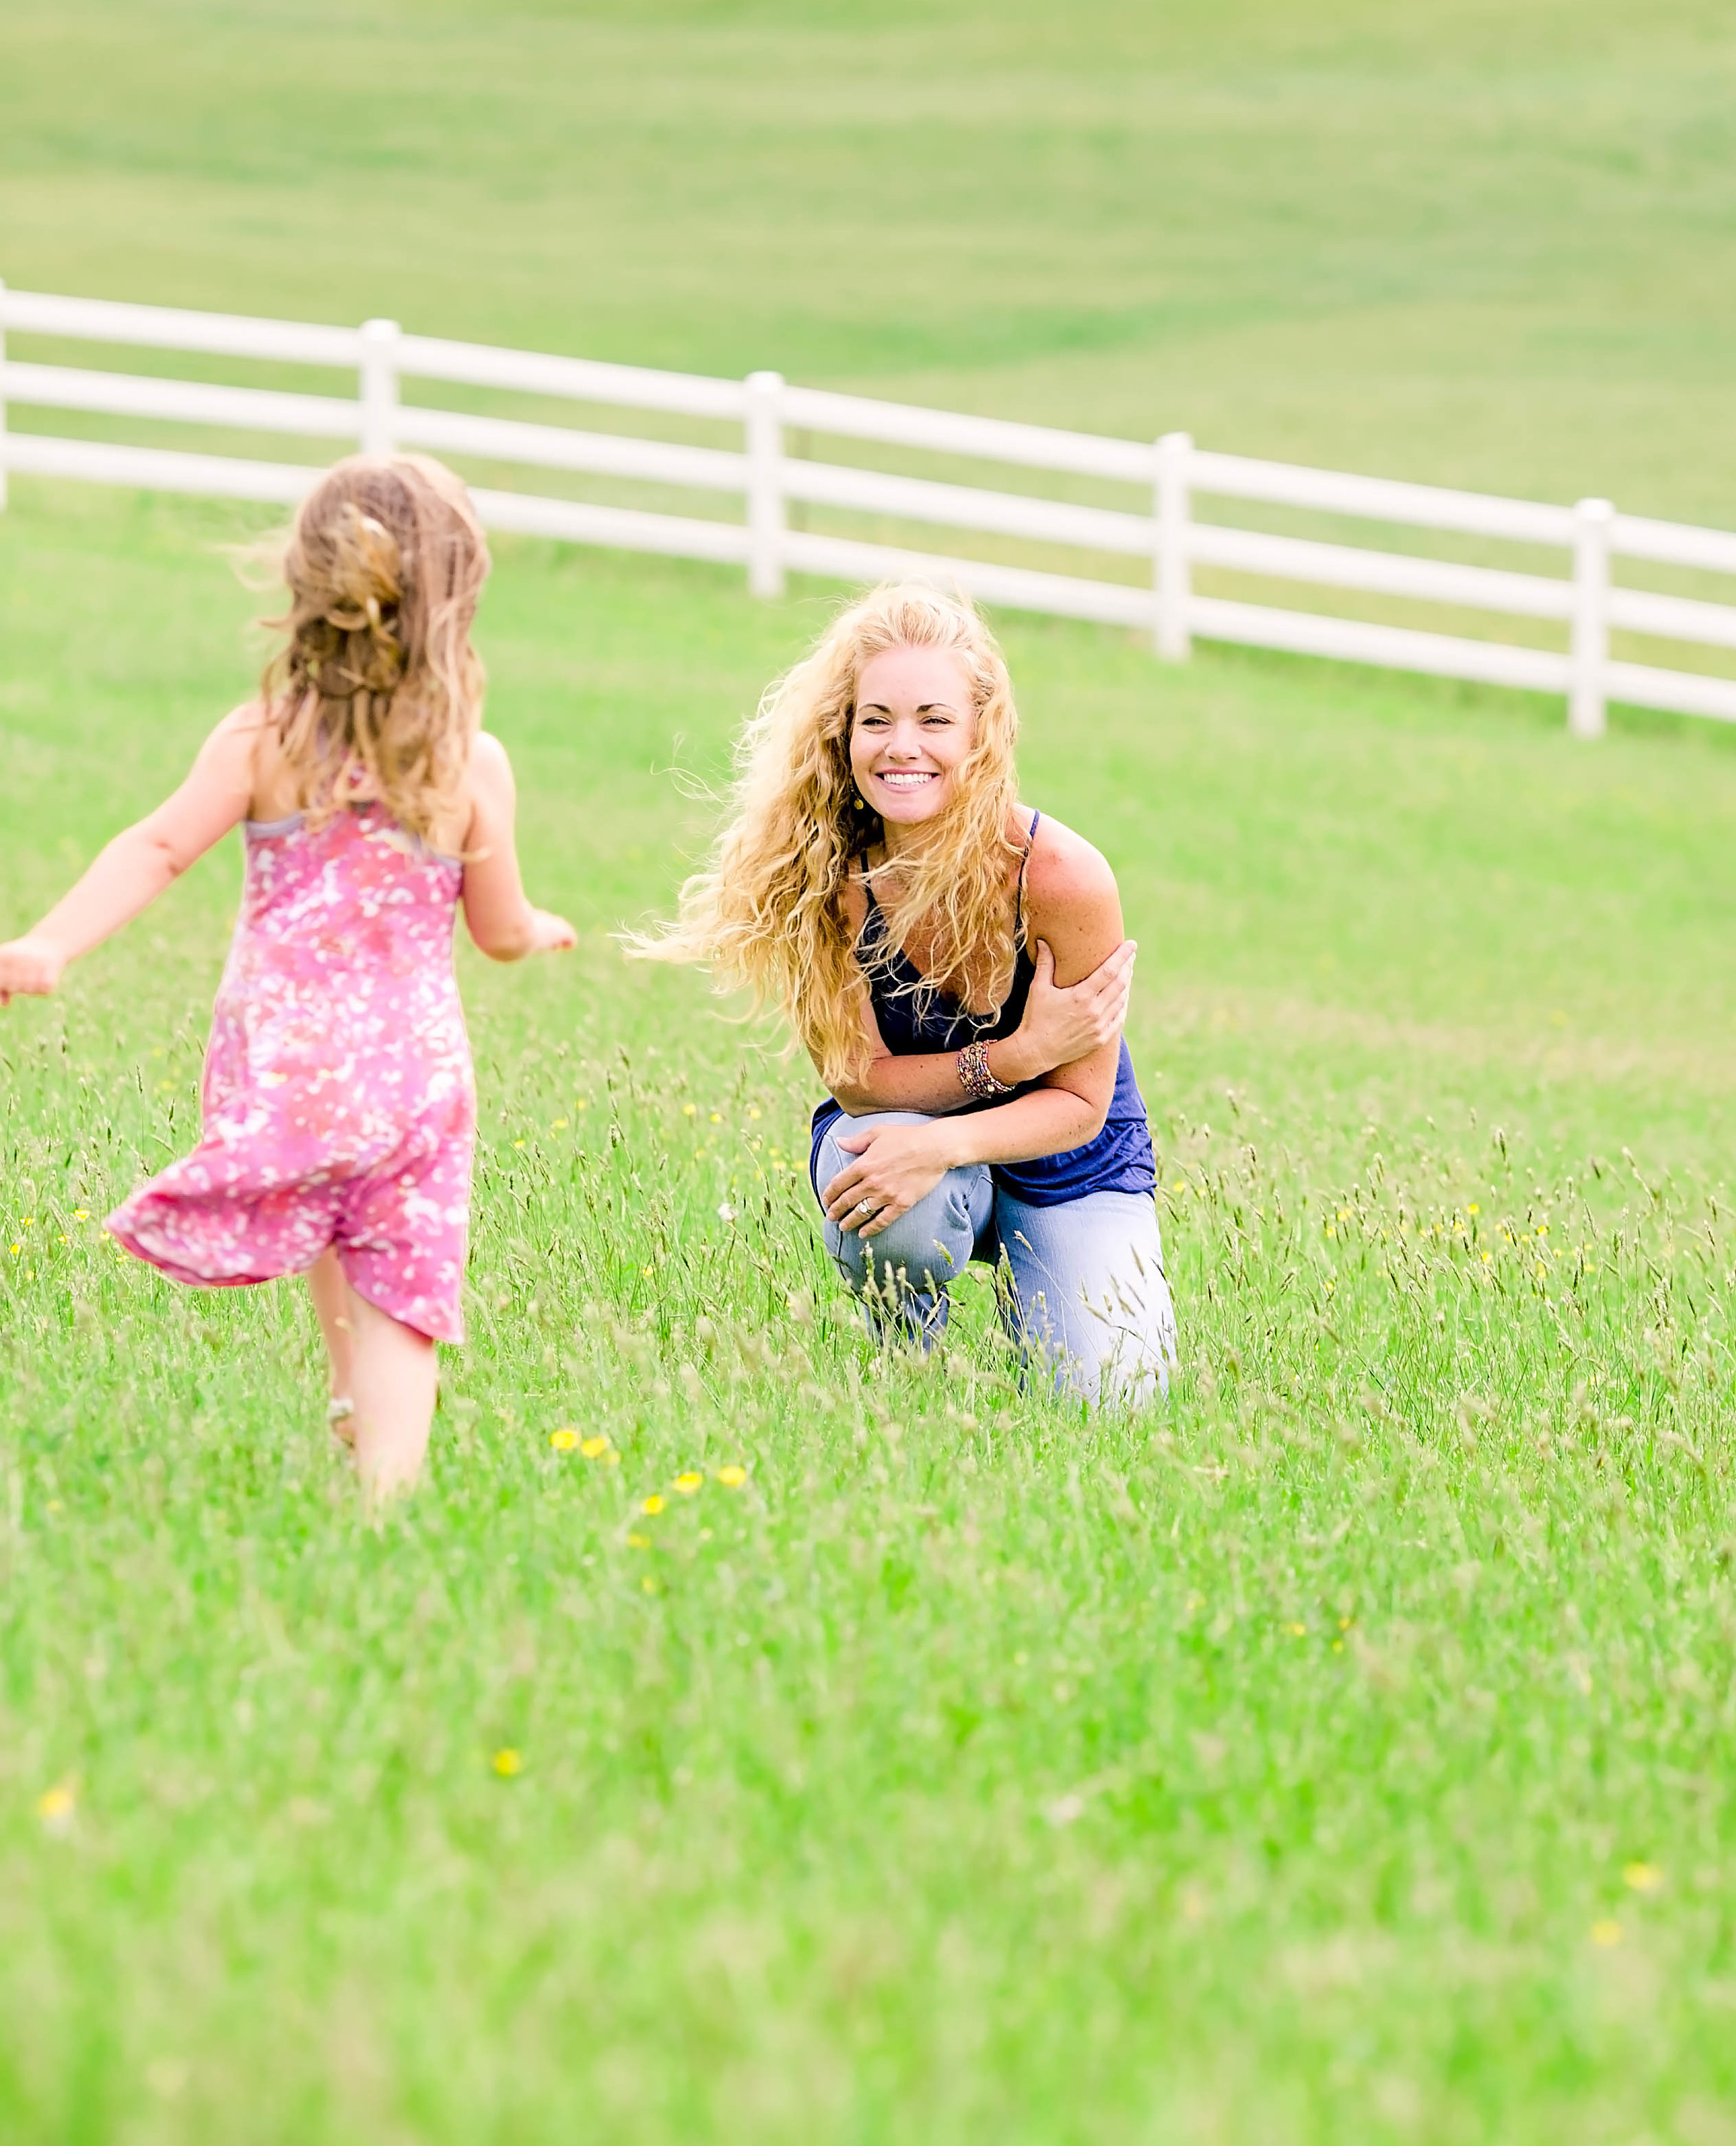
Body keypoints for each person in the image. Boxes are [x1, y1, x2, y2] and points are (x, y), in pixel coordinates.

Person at [0, 456, 575, 1498]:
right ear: (455, 601)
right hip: (413, 1075)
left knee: (323, 1190)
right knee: (399, 1275)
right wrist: (539, 929)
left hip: (287, 1057)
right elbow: (496, 930)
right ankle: (386, 1497)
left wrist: (50, 941)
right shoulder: (468, 761)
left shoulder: (263, 734)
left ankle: (351, 1396)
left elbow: (157, 847)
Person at [643, 581, 1175, 1404]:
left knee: (1111, 1402)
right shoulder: (822, 872)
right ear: (842, 734)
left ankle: (1043, 1288)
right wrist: (1015, 1056)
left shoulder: (1059, 878)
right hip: (902, 1140)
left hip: (1068, 1159)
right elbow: (857, 1080)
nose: (902, 746)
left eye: (933, 720)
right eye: (877, 720)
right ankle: (907, 1364)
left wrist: (950, 1139)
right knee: (893, 1188)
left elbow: (1079, 1104)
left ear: (980, 734)